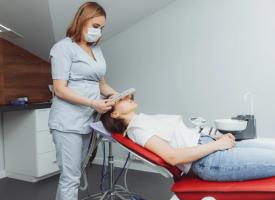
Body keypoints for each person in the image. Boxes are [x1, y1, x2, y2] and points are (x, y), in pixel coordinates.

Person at [100, 95, 275, 182]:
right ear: (114, 113)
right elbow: (173, 157)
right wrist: (218, 145)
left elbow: (185, 136)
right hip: (209, 160)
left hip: (209, 147)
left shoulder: (142, 120)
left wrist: (216, 138)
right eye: (120, 99)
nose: (128, 96)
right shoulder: (137, 130)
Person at [48, 2, 118, 200]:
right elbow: (60, 90)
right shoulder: (62, 48)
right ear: (82, 20)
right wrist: (93, 103)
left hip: (87, 121)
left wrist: (119, 96)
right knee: (70, 177)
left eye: (101, 28)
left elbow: (101, 85)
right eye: (95, 26)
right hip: (67, 122)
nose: (99, 32)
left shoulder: (97, 51)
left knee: (75, 173)